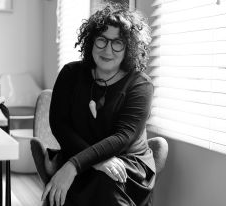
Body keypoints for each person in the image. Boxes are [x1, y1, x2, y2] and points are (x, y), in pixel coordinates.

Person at [31, 2, 155, 206]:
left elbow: (122, 137)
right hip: (80, 151)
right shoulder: (70, 74)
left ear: (129, 48)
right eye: (102, 40)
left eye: (118, 42)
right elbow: (60, 125)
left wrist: (73, 165)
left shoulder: (140, 84)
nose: (108, 49)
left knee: (106, 181)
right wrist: (94, 161)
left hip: (127, 162)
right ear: (91, 42)